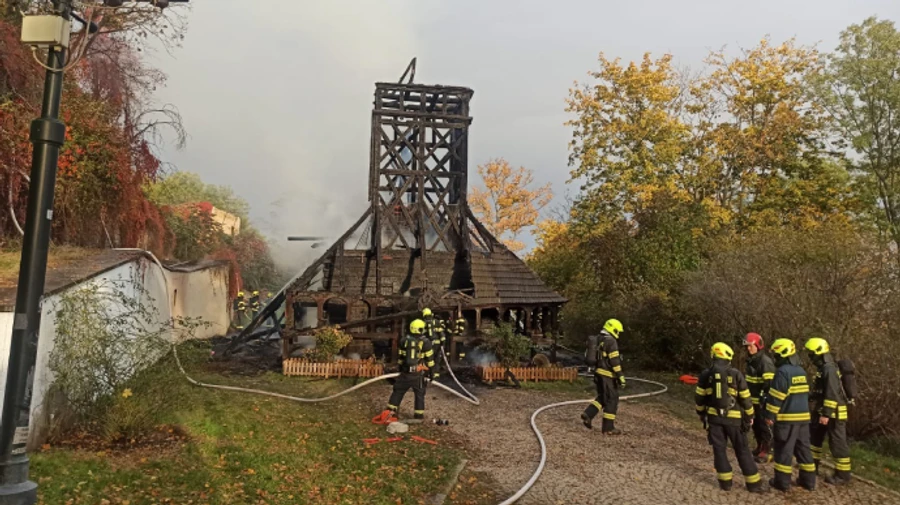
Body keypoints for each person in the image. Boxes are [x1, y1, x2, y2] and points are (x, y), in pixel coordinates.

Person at [694, 342, 764, 492]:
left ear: (713, 355)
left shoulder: (706, 374)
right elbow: (745, 398)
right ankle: (754, 484)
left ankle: (725, 483)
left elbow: (699, 398)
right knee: (742, 450)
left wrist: (701, 413)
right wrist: (750, 415)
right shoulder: (736, 374)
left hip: (714, 419)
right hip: (735, 420)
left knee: (719, 450)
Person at [764, 338, 816, 492]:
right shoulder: (801, 371)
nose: (774, 358)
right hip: (804, 420)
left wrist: (769, 415)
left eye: (776, 354)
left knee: (784, 451)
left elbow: (776, 397)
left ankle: (782, 483)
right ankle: (809, 482)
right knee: (804, 450)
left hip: (786, 420)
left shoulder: (782, 372)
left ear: (782, 354)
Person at [805, 337, 852, 485]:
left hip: (834, 413)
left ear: (819, 353)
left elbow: (832, 393)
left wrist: (826, 414)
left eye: (811, 353)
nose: (810, 357)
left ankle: (843, 475)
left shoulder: (829, 369)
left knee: (837, 443)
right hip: (823, 410)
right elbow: (821, 391)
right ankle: (812, 466)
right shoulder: (823, 368)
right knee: (815, 438)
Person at [376, 319, 435, 422]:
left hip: (405, 374)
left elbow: (401, 357)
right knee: (420, 394)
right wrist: (431, 373)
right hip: (418, 375)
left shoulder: (404, 340)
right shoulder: (426, 342)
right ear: (420, 329)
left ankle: (390, 412)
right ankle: (418, 416)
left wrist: (400, 368)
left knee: (398, 392)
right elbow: (430, 361)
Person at [580, 318, 625, 435]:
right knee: (612, 399)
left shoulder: (599, 339)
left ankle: (588, 414)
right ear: (613, 329)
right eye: (618, 331)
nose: (618, 334)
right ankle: (608, 428)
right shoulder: (611, 341)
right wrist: (620, 376)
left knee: (603, 397)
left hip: (598, 373)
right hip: (607, 375)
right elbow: (614, 361)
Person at [743, 332, 776, 463]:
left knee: (764, 427)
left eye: (750, 346)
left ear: (758, 345)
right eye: (746, 347)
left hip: (763, 402)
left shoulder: (764, 362)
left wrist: (764, 398)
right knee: (756, 426)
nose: (748, 349)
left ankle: (767, 451)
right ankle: (759, 446)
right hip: (753, 400)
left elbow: (769, 384)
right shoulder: (751, 361)